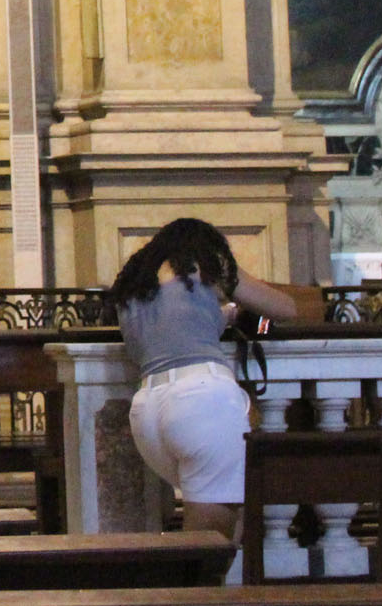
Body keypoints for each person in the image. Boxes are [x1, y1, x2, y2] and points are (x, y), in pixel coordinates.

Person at [112, 218, 298, 548]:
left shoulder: (134, 284)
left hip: (148, 412)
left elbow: (171, 331)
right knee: (208, 551)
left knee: (222, 528)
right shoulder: (206, 267)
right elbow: (285, 309)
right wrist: (230, 308)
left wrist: (216, 316)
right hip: (201, 404)